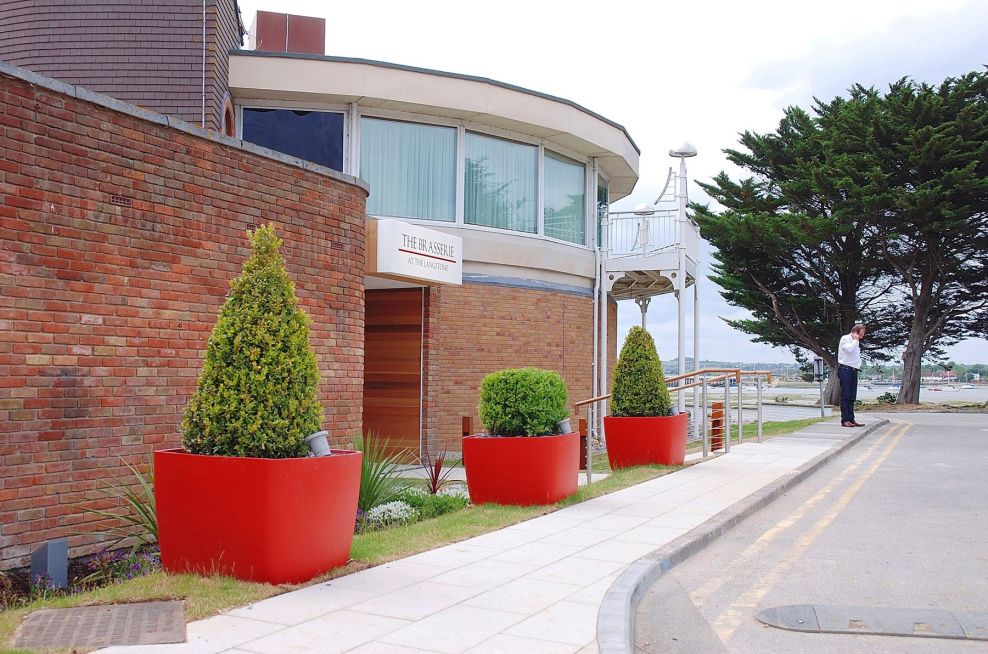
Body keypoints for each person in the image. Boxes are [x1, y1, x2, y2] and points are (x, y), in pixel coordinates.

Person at [837, 324, 866, 427]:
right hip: (845, 369)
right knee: (846, 395)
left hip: (853, 370)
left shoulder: (856, 342)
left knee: (852, 396)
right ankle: (845, 420)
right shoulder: (846, 339)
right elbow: (849, 350)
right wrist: (855, 340)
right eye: (861, 333)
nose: (862, 336)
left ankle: (851, 419)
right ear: (856, 332)